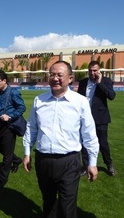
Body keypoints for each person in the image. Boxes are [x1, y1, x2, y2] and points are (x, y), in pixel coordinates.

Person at [23, 61, 99, 218]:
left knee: (67, 207)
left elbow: (89, 134)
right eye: (52, 74)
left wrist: (92, 163)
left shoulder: (80, 102)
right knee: (48, 202)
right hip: (43, 160)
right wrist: (27, 153)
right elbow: (31, 128)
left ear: (70, 78)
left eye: (59, 75)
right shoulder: (39, 100)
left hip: (69, 162)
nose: (55, 78)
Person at [77, 60, 116, 176]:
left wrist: (100, 83)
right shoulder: (83, 82)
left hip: (101, 118)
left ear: (99, 71)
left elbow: (111, 96)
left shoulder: (106, 81)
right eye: (90, 71)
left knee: (103, 143)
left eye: (95, 70)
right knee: (84, 143)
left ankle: (109, 164)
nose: (92, 73)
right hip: (84, 118)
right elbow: (79, 98)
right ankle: (85, 166)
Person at [0, 70, 26, 191]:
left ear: (4, 80)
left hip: (9, 127)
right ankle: (16, 160)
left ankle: (1, 181)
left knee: (7, 157)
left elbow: (22, 107)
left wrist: (9, 116)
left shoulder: (13, 92)